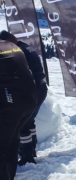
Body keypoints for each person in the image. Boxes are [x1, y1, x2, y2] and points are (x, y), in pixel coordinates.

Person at [0, 30, 48, 165]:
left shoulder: (19, 51)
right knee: (30, 119)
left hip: (34, 88)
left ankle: (27, 155)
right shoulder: (26, 47)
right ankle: (32, 148)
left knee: (23, 123)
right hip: (40, 86)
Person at [0, 39, 37, 180]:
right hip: (29, 101)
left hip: (11, 102)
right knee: (11, 141)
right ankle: (9, 179)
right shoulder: (10, 45)